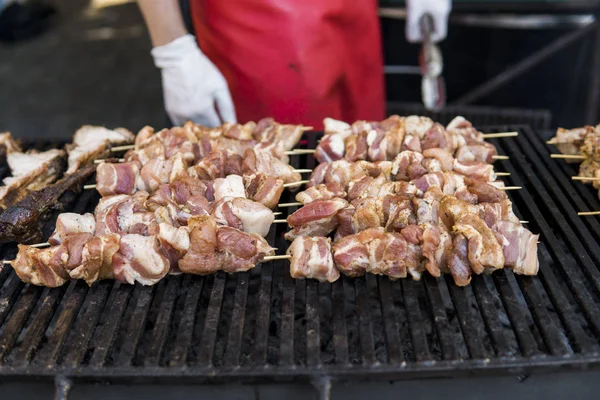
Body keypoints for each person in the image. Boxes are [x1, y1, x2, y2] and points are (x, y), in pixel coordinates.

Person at [136, 0, 450, 129]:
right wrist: (172, 47)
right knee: (279, 165)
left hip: (355, 12)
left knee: (366, 148)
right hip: (259, 17)